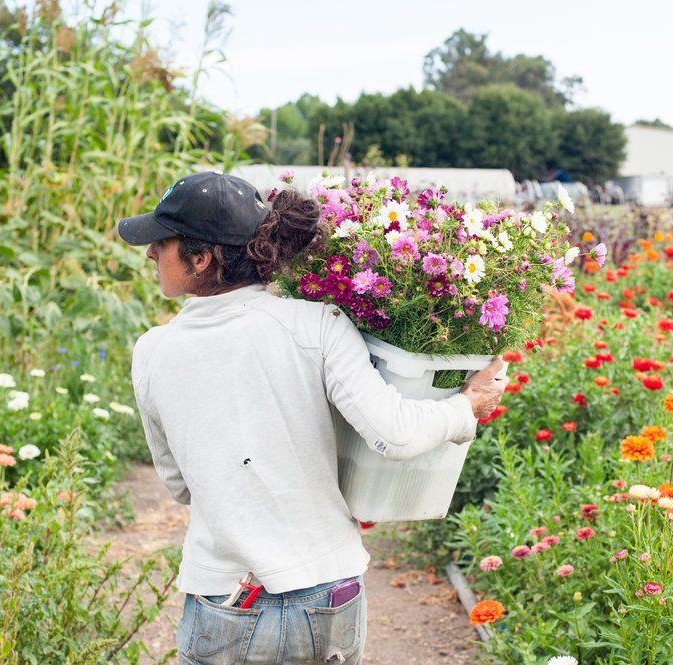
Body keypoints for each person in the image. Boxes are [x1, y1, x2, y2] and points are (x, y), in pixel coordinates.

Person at [117, 171, 507, 664]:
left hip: (227, 597)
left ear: (201, 258)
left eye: (161, 242)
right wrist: (466, 405)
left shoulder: (153, 353)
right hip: (328, 595)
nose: (151, 253)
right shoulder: (317, 324)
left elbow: (180, 485)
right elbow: (396, 434)